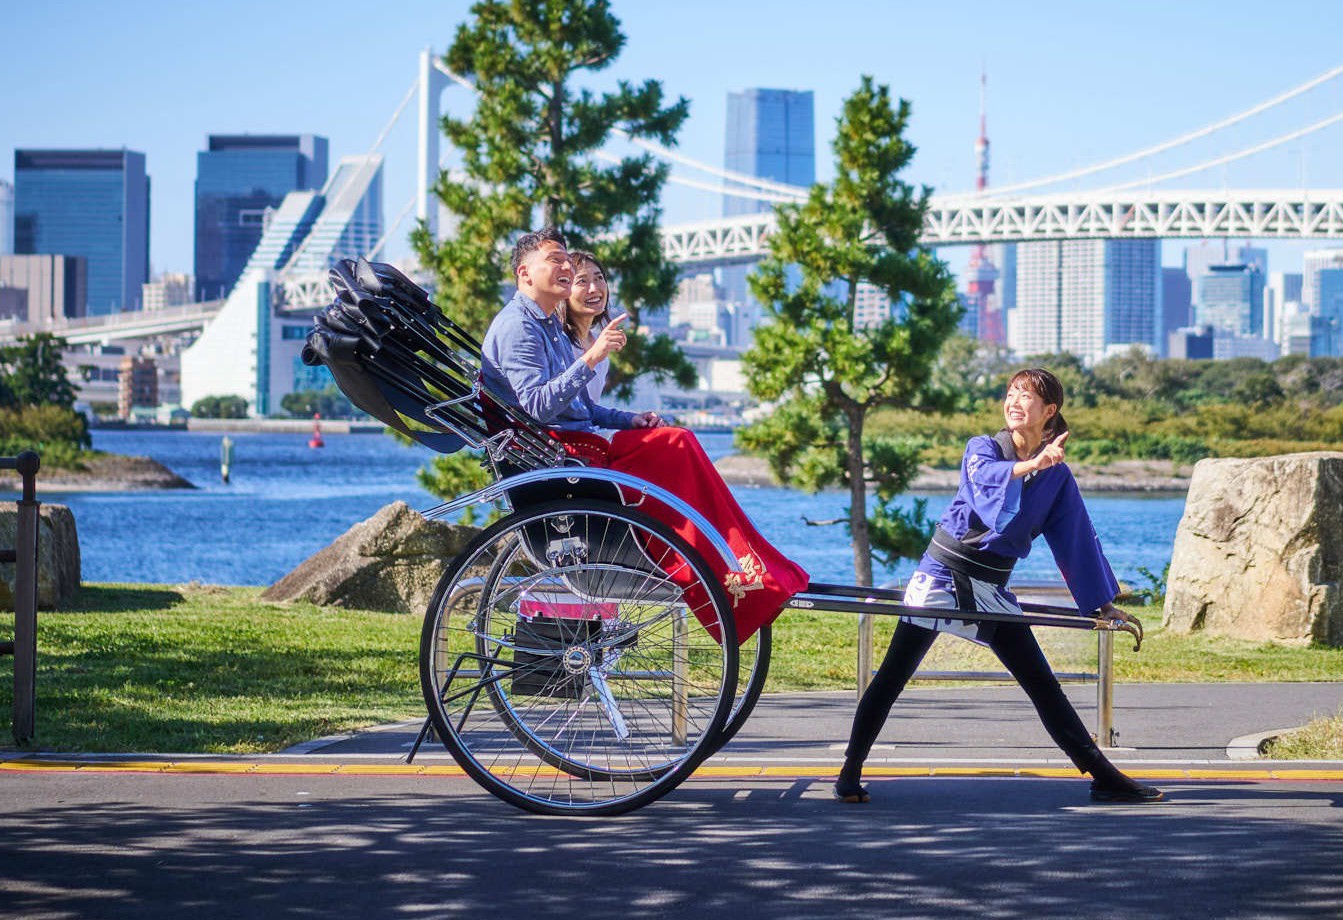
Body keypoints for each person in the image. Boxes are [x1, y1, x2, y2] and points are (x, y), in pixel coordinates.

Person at [834, 367, 1165, 805]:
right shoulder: (983, 449)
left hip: (990, 588)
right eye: (1010, 393)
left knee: (1041, 683)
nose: (1013, 402)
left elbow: (1075, 540)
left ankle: (1103, 775)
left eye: (1025, 396)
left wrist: (1102, 605)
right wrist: (1032, 465)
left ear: (1049, 411)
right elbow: (986, 484)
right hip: (942, 577)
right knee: (894, 674)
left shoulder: (1058, 477)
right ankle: (848, 773)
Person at [480, 228, 806, 636]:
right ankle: (724, 566)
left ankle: (742, 560)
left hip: (577, 447)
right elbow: (539, 407)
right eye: (556, 260)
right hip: (559, 456)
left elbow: (581, 407)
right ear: (525, 273)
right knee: (676, 444)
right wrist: (593, 357)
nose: (566, 266)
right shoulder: (518, 326)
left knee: (677, 440)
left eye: (568, 260)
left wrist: (628, 419)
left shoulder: (546, 324)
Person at [558, 248, 612, 407]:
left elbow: (591, 411)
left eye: (599, 278)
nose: (594, 288)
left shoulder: (599, 345)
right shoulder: (557, 342)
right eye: (582, 281)